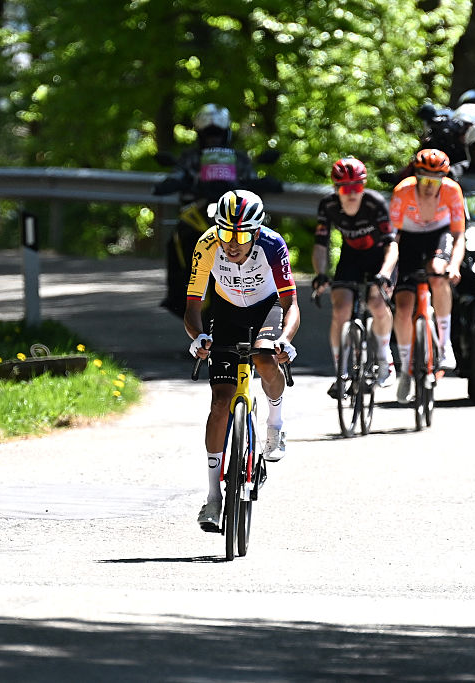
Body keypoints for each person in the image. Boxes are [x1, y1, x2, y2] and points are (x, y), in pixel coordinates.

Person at [185, 190, 300, 532]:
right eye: (226, 233)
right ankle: (213, 497)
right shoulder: (207, 245)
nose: (232, 244)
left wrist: (285, 340)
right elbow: (192, 306)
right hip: (226, 311)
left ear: (257, 231)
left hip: (266, 307)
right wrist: (199, 338)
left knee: (264, 357)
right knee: (220, 402)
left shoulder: (273, 245)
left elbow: (291, 303)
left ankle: (275, 425)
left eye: (242, 235)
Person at [153, 104, 279, 318]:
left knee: (265, 235)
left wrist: (262, 182)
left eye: (217, 134)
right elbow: (175, 176)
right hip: (197, 214)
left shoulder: (239, 159)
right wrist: (173, 183)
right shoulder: (189, 158)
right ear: (200, 135)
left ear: (226, 134)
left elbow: (251, 177)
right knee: (174, 240)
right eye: (208, 134)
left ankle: (267, 290)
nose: (213, 139)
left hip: (235, 215)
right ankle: (176, 293)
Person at [312, 158, 398, 396]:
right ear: (335, 188)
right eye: (344, 188)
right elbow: (321, 244)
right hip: (351, 257)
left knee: (377, 303)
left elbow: (392, 244)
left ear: (364, 185)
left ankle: (385, 358)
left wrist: (385, 274)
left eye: (356, 187)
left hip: (381, 257)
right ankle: (341, 372)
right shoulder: (328, 206)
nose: (351, 193)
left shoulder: (374, 203)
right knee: (340, 309)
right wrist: (321, 273)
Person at [389, 148, 466, 402]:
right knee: (402, 306)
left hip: (438, 236)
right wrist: (388, 270)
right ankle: (405, 368)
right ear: (417, 176)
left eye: (436, 180)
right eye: (425, 179)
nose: (430, 186)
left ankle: (444, 345)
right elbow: (394, 237)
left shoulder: (453, 191)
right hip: (409, 240)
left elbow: (458, 235)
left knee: (437, 271)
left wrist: (454, 265)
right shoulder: (402, 191)